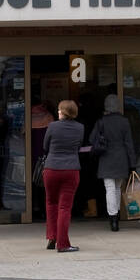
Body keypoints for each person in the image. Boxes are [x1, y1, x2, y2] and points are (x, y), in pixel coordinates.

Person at [42, 99, 85, 253]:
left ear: (65, 112)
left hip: (51, 168)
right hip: (71, 169)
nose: (58, 112)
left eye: (60, 110)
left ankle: (52, 237)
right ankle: (63, 243)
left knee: (51, 203)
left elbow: (45, 146)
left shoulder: (52, 126)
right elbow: (78, 146)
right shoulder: (80, 128)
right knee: (64, 207)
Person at [90, 94, 137, 231]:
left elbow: (92, 138)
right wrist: (132, 163)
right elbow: (129, 144)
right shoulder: (124, 121)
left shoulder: (101, 121)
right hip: (121, 157)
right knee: (117, 188)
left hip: (106, 157)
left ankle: (113, 218)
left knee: (109, 188)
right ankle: (116, 216)